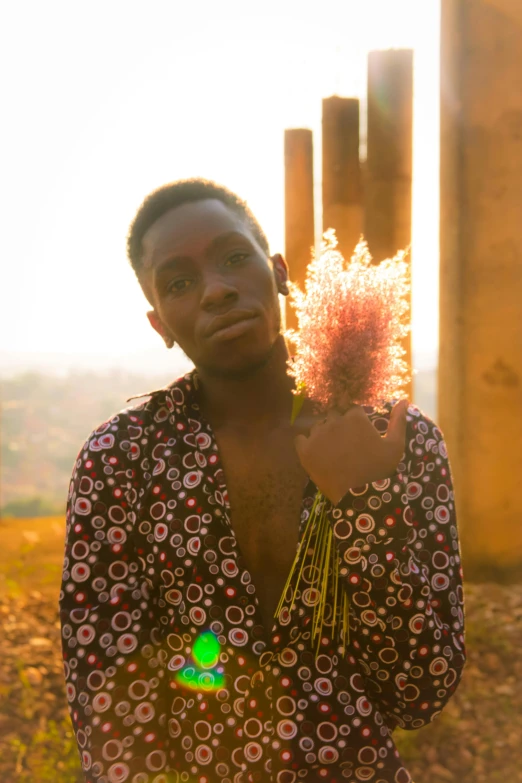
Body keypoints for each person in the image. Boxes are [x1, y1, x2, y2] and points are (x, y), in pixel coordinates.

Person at [59, 178, 466, 783]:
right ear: (159, 323)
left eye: (233, 259)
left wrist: (363, 504)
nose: (217, 290)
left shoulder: (397, 443)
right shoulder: (120, 460)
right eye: (179, 282)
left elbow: (419, 691)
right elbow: (110, 696)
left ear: (277, 272)